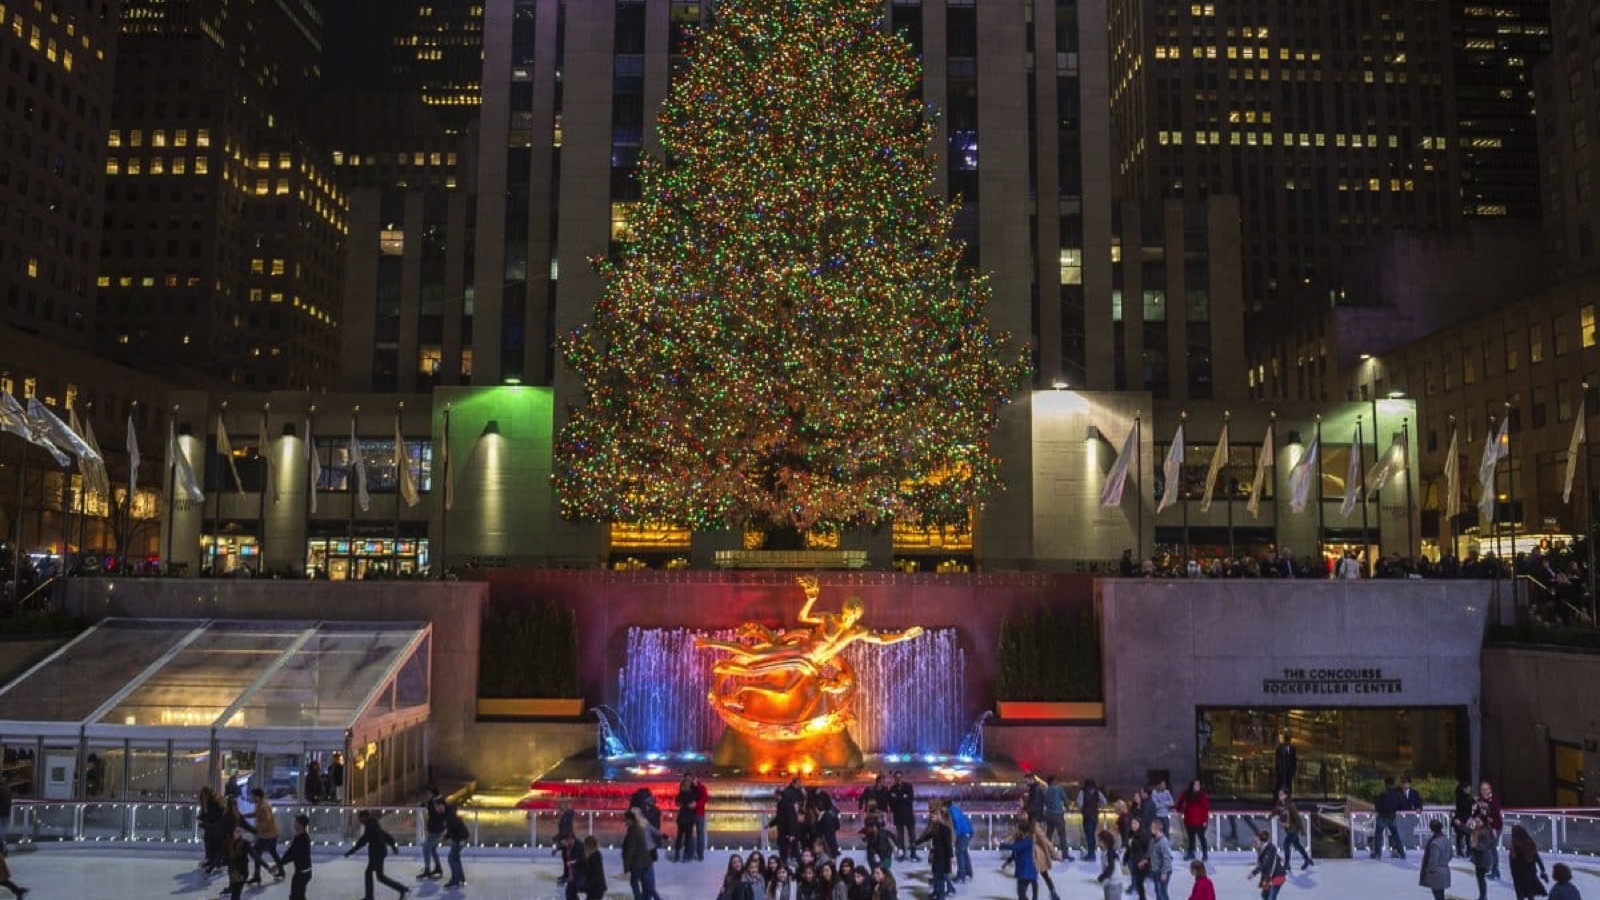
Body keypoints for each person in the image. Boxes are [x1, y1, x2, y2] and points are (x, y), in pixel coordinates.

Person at [345, 808, 409, 900]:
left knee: (380, 877)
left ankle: (402, 889)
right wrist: (393, 845)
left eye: (361, 819)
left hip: (377, 854)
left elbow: (363, 840)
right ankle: (370, 896)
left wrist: (351, 851)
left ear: (366, 817)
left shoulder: (371, 826)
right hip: (379, 852)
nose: (360, 821)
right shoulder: (373, 824)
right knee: (370, 873)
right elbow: (384, 834)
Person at [913, 801, 954, 900]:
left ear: (940, 816)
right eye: (932, 817)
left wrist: (951, 857)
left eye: (934, 816)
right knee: (936, 875)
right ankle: (936, 892)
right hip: (936, 854)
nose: (932, 818)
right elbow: (928, 836)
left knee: (940, 877)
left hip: (943, 857)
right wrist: (917, 842)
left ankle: (941, 896)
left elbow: (948, 845)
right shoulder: (936, 827)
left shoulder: (945, 828)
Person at [623, 807, 666, 900]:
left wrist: (627, 866)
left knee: (639, 882)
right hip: (647, 857)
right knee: (648, 882)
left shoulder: (634, 829)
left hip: (640, 859)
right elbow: (655, 831)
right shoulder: (643, 824)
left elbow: (631, 850)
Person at [247, 787, 284, 882]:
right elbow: (257, 814)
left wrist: (258, 832)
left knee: (256, 853)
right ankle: (281, 871)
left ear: (257, 797)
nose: (251, 798)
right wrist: (244, 816)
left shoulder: (263, 806)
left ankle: (257, 876)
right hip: (272, 833)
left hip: (267, 835)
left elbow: (265, 820)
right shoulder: (262, 804)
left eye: (252, 796)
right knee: (272, 852)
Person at [1271, 788, 1312, 870]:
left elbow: (1297, 818)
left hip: (1293, 830)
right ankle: (1307, 859)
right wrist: (1270, 817)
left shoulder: (1290, 805)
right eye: (1279, 794)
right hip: (1288, 829)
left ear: (1286, 795)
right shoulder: (1280, 805)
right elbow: (1275, 811)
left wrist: (1302, 831)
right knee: (1297, 845)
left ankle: (1287, 864)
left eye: (1281, 794)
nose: (1279, 796)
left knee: (1286, 845)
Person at [1508, 824, 1549, 900]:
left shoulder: (1514, 847)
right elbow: (1537, 858)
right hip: (1530, 875)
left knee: (1520, 897)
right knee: (1531, 896)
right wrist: (1542, 870)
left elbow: (1512, 865)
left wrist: (1514, 877)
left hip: (1519, 878)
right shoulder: (1530, 844)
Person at [1000, 822, 1038, 900]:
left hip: (1026, 871)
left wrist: (1000, 845)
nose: (1015, 831)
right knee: (1021, 893)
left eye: (1017, 829)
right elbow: (1015, 853)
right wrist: (1007, 862)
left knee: (1021, 894)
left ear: (1022, 831)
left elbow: (1015, 847)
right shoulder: (1021, 839)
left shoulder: (1028, 840)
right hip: (1023, 870)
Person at [1475, 781, 1505, 880]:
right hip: (1486, 828)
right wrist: (1475, 818)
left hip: (1495, 828)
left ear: (1490, 790)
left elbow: (1496, 816)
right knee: (1487, 847)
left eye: (1485, 789)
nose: (1483, 791)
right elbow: (1478, 812)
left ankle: (1495, 870)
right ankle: (1489, 867)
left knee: (1490, 848)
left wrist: (1494, 829)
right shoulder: (1480, 800)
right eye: (1482, 789)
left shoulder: (1494, 801)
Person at [1175, 780, 1210, 863]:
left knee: (1201, 837)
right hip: (1189, 820)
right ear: (1192, 785)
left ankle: (1205, 854)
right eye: (1196, 784)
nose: (1197, 786)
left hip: (1200, 821)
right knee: (1191, 838)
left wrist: (1205, 820)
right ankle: (1191, 853)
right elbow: (1180, 802)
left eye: (1199, 784)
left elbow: (1206, 809)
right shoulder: (1186, 793)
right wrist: (1178, 809)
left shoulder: (1202, 795)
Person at [1246, 829, 1287, 900]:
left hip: (1276, 875)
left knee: (1271, 897)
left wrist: (1253, 873)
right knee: (1264, 895)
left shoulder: (1270, 848)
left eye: (1256, 840)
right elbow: (1272, 856)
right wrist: (1280, 858)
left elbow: (1264, 863)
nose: (1255, 842)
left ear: (1261, 839)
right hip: (1266, 877)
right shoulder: (1261, 848)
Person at [1372, 777, 1406, 859]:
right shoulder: (1397, 794)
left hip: (1382, 817)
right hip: (1392, 817)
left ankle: (1378, 854)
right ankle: (1402, 853)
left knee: (1378, 835)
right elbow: (1401, 806)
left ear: (1386, 784)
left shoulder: (1383, 794)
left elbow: (1377, 806)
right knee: (1395, 835)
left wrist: (1381, 811)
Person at [1419, 819, 1453, 900]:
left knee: (1437, 894)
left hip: (1436, 873)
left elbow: (1433, 860)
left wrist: (1429, 870)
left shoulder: (1434, 843)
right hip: (1444, 870)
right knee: (1440, 893)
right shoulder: (1446, 840)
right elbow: (1450, 855)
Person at [442, 798, 471, 888]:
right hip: (458, 840)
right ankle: (460, 878)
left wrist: (462, 840)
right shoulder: (452, 818)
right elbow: (452, 831)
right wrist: (446, 837)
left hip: (458, 841)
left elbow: (462, 832)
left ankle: (455, 879)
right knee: (456, 859)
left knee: (451, 859)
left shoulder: (452, 819)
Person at [888, 772, 917, 861]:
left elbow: (910, 799)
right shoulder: (892, 789)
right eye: (896, 778)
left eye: (900, 777)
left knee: (912, 836)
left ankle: (913, 854)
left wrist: (897, 797)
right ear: (894, 778)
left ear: (902, 777)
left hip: (908, 816)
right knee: (900, 837)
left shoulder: (908, 786)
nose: (898, 779)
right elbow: (891, 803)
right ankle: (902, 854)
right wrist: (903, 797)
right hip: (898, 816)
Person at [419, 787, 446, 879]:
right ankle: (438, 868)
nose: (427, 795)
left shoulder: (436, 802)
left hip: (436, 830)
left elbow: (436, 815)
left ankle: (427, 870)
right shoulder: (436, 801)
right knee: (433, 849)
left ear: (432, 793)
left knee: (426, 849)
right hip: (436, 830)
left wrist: (427, 805)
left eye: (428, 793)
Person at [1078, 780, 1107, 862]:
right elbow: (1104, 802)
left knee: (1088, 835)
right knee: (1092, 835)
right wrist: (1096, 805)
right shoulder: (1098, 792)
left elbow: (1080, 804)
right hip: (1094, 816)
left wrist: (1084, 808)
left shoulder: (1082, 792)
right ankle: (1092, 853)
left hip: (1086, 816)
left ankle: (1091, 855)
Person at [285, 815, 313, 900]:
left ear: (301, 825)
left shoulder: (304, 838)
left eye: (296, 823)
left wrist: (279, 864)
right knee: (298, 896)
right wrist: (279, 864)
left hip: (303, 873)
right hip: (301, 872)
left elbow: (294, 855)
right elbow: (290, 851)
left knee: (296, 896)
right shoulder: (298, 837)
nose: (294, 824)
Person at [1124, 816, 1151, 900]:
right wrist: (1125, 858)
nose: (1133, 825)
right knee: (1134, 877)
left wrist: (1144, 859)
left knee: (1140, 881)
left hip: (1140, 861)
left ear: (1140, 824)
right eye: (1132, 823)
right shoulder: (1130, 834)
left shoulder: (1144, 835)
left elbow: (1148, 849)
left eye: (1135, 823)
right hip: (1132, 859)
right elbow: (1129, 848)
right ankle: (1135, 889)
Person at [1041, 775, 1069, 855]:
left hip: (1048, 815)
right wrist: (1067, 807)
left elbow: (1045, 802)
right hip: (1058, 814)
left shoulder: (1046, 791)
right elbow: (1065, 799)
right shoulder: (1058, 789)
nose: (1057, 782)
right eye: (1056, 780)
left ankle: (1047, 853)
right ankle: (1065, 854)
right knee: (1062, 835)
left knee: (1048, 835)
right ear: (1053, 781)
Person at [948, 799, 974, 883]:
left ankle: (961, 876)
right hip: (967, 832)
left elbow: (957, 823)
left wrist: (956, 836)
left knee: (959, 853)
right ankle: (968, 873)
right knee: (964, 852)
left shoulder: (952, 811)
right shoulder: (955, 809)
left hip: (962, 833)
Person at [1472, 819, 1498, 900]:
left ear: (1483, 822)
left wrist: (1474, 845)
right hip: (1480, 859)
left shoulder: (1485, 831)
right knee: (1480, 878)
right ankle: (1482, 896)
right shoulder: (1478, 830)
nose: (1476, 823)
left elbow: (1484, 846)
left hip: (1484, 859)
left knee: (1481, 878)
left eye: (1478, 821)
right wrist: (1460, 824)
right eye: (1476, 821)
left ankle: (1483, 897)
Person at [1148, 820, 1174, 900]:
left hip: (1162, 872)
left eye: (1152, 827)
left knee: (1162, 892)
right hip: (1155, 870)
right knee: (1158, 891)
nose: (1150, 829)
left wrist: (1164, 872)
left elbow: (1167, 858)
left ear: (1158, 828)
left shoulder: (1163, 842)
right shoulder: (1153, 840)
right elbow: (1151, 853)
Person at [675, 775, 699, 862]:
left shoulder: (680, 795)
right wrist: (695, 784)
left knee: (679, 837)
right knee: (687, 838)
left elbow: (677, 803)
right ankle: (685, 856)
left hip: (681, 817)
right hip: (689, 818)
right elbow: (698, 794)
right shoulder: (692, 794)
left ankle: (677, 855)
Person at [224, 826, 252, 900]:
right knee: (235, 895)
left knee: (236, 894)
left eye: (240, 831)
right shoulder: (229, 843)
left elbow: (255, 856)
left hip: (242, 872)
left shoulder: (245, 844)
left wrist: (267, 867)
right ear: (233, 832)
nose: (238, 833)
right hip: (233, 872)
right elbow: (220, 855)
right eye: (237, 831)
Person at [1453, 782, 1477, 858]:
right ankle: (1460, 851)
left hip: (1468, 820)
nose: (1469, 790)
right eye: (1468, 789)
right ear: (1464, 789)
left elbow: (1474, 804)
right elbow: (1465, 807)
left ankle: (1468, 852)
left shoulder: (1469, 797)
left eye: (1470, 789)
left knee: (1468, 836)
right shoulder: (1460, 797)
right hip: (1460, 819)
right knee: (1460, 836)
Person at [583, 835, 608, 900]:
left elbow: (595, 874)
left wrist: (585, 886)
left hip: (597, 888)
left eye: (585, 846)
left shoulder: (595, 857)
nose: (584, 848)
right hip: (594, 888)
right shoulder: (593, 855)